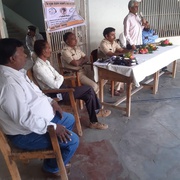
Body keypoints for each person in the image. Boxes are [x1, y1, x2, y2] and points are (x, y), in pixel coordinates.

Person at [0, 38, 79, 176]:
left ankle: (56, 155)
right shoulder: (9, 85)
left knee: (70, 119)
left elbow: (37, 93)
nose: (25, 55)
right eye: (22, 53)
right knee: (73, 141)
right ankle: (51, 169)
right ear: (12, 58)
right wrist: (54, 127)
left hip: (41, 121)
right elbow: (24, 119)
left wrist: (52, 102)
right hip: (25, 134)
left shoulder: (18, 73)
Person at [33, 39, 111, 130]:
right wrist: (59, 78)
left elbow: (58, 76)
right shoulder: (38, 67)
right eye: (48, 48)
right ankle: (97, 112)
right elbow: (55, 85)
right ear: (43, 51)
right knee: (89, 89)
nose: (50, 50)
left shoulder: (46, 62)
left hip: (62, 87)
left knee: (88, 95)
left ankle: (94, 120)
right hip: (57, 93)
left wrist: (59, 78)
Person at [99, 27, 131, 96]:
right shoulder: (103, 44)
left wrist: (129, 50)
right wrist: (123, 53)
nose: (114, 36)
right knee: (119, 70)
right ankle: (114, 89)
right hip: (104, 64)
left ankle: (118, 87)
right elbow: (110, 54)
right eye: (112, 35)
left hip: (112, 62)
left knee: (123, 66)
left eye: (114, 34)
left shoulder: (114, 42)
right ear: (106, 36)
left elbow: (121, 50)